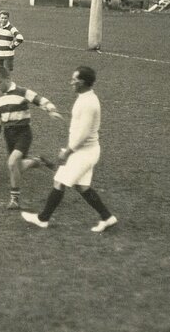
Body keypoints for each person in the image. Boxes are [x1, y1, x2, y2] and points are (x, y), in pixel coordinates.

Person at [21, 66, 118, 232]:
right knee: (82, 187)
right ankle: (107, 217)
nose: (71, 82)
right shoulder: (85, 98)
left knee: (59, 181)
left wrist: (68, 151)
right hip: (85, 151)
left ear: (83, 82)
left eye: (74, 79)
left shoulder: (88, 103)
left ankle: (42, 219)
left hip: (84, 153)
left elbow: (85, 133)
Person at [0, 66, 62, 210]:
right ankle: (38, 161)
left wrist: (51, 110)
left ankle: (14, 199)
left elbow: (40, 100)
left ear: (8, 79)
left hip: (23, 133)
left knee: (12, 162)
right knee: (16, 167)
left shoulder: (22, 92)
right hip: (9, 135)